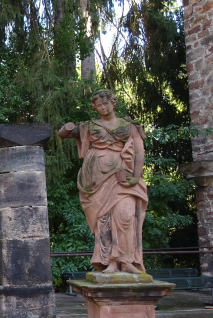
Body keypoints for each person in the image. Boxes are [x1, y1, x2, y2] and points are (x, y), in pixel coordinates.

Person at [58, 90, 148, 273]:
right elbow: (63, 133)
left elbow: (139, 151)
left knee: (126, 215)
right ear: (95, 107)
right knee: (104, 220)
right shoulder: (90, 126)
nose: (103, 108)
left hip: (122, 174)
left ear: (113, 103)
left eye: (106, 104)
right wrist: (68, 128)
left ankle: (127, 260)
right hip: (96, 176)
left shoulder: (128, 126)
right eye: (99, 105)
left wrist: (136, 176)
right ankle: (110, 262)